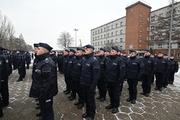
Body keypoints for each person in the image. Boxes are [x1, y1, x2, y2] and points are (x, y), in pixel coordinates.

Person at [29, 42, 58, 120]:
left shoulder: (47, 63)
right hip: (42, 92)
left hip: (45, 93)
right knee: (44, 109)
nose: (36, 50)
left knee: (48, 112)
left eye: (38, 49)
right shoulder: (41, 60)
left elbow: (48, 82)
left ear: (44, 51)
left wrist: (42, 93)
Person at [80, 45, 100, 120]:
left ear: (92, 51)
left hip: (90, 85)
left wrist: (93, 86)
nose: (85, 51)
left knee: (90, 101)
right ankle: (87, 112)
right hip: (84, 84)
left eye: (87, 50)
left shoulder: (94, 61)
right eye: (85, 50)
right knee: (86, 100)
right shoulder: (85, 59)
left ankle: (91, 115)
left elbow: (96, 75)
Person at [105, 47, 125, 113]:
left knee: (116, 94)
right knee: (110, 93)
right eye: (111, 51)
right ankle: (112, 104)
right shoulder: (108, 60)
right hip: (109, 80)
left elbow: (122, 72)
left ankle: (116, 106)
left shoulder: (119, 60)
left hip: (116, 81)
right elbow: (106, 70)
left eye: (113, 51)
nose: (111, 52)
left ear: (116, 52)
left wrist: (119, 80)